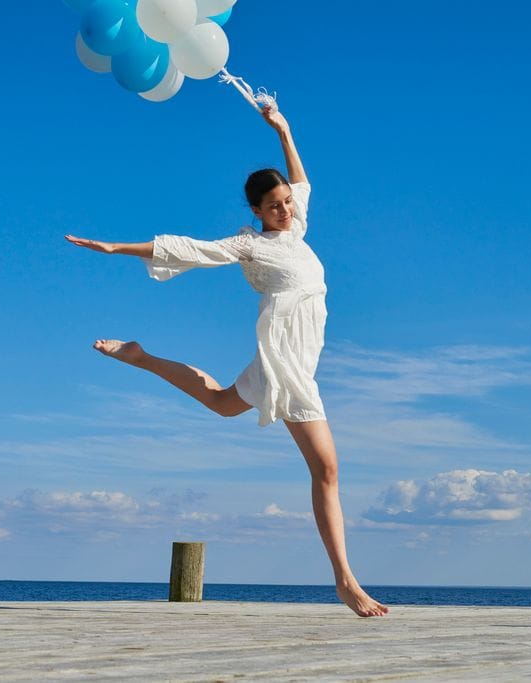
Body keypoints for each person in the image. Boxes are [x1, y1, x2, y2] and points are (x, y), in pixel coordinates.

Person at [65, 107, 388, 618]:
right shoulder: (248, 245)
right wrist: (116, 248)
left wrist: (284, 130)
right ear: (256, 210)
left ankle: (138, 356)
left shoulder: (297, 229)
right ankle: (345, 581)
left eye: (286, 203)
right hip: (285, 361)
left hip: (297, 357)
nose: (285, 210)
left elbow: (302, 182)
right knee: (326, 467)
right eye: (274, 206)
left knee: (220, 403)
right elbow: (189, 249)